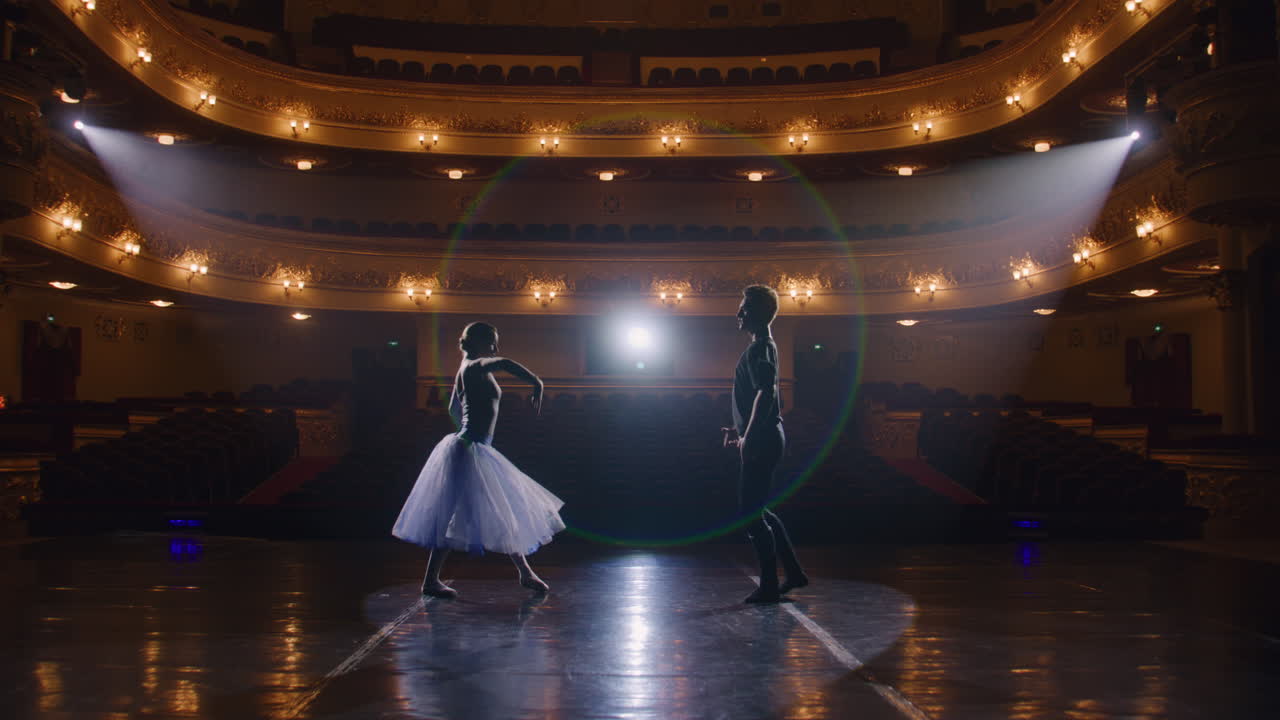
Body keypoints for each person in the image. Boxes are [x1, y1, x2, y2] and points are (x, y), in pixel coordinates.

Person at [393, 321, 564, 597]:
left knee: (495, 509)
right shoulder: (474, 367)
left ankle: (523, 573)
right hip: (471, 447)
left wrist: (470, 430)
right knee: (478, 510)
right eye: (492, 342)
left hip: (471, 446)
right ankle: (434, 581)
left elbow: (454, 408)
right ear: (480, 343)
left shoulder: (463, 371)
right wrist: (536, 381)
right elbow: (504, 362)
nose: (495, 347)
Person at [721, 285, 809, 603]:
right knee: (760, 511)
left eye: (744, 307)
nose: (738, 312)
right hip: (762, 435)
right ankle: (794, 573)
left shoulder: (761, 348)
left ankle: (770, 585)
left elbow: (766, 392)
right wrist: (740, 429)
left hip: (763, 438)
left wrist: (749, 435)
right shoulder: (761, 346)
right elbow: (758, 396)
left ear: (758, 311)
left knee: (750, 513)